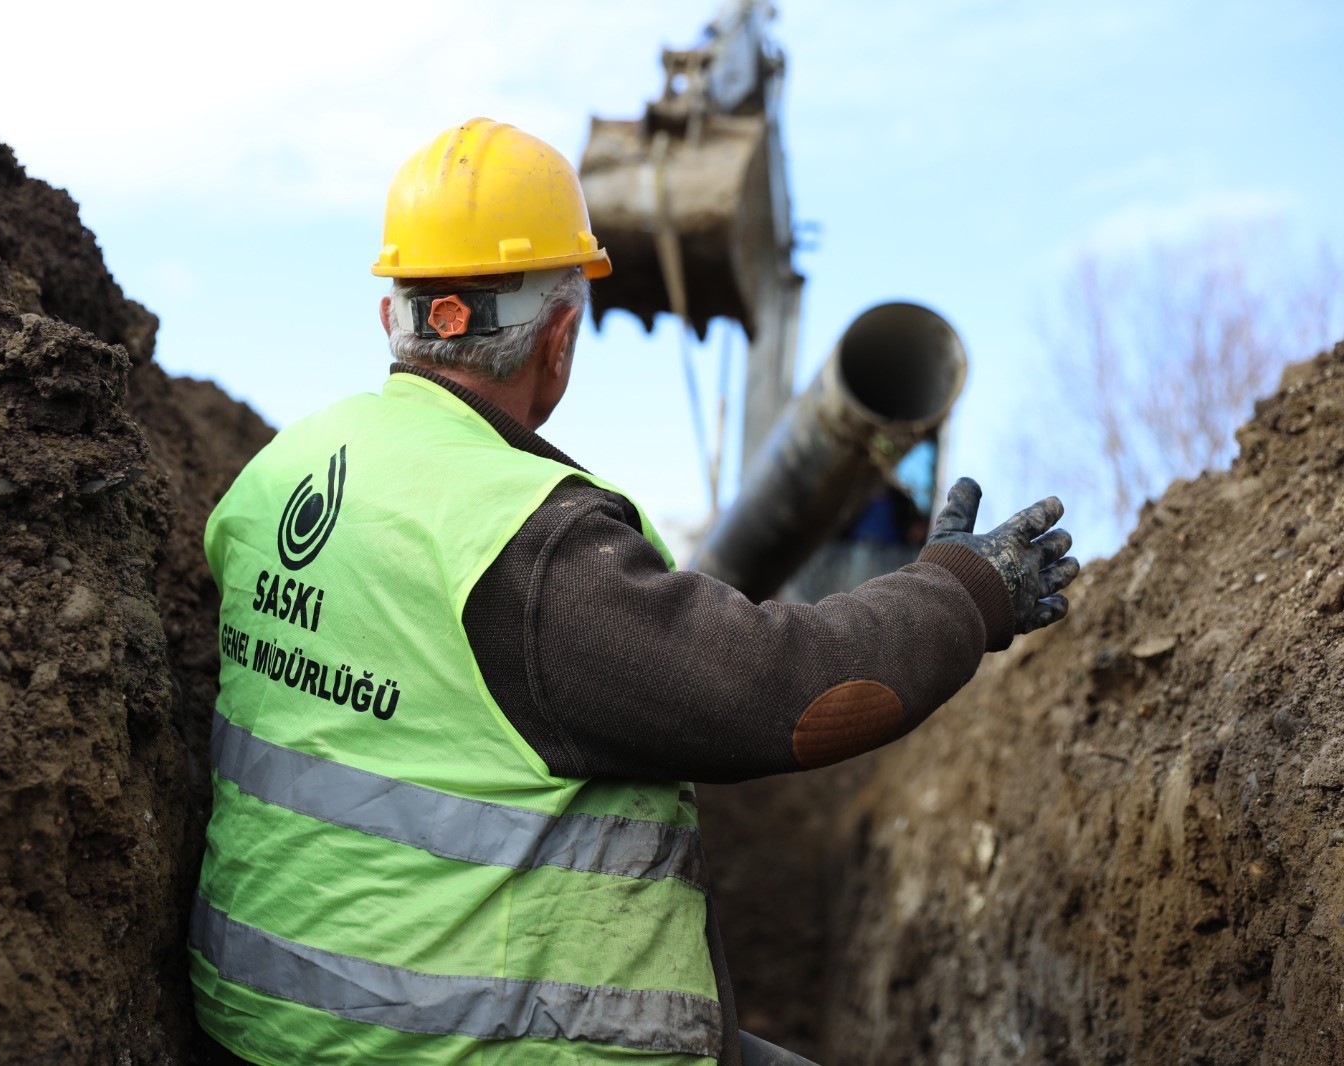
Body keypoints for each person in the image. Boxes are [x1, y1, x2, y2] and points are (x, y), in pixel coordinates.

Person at [188, 118, 1078, 1066]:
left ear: (394, 316)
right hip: (458, 1042)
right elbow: (783, 693)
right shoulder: (531, 542)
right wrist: (966, 591)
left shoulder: (277, 476)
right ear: (561, 337)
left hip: (267, 1021)